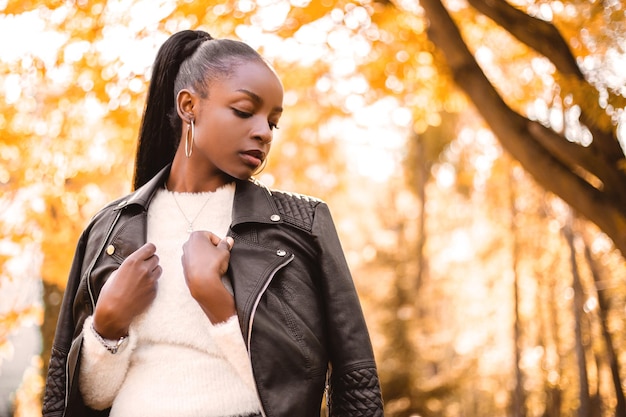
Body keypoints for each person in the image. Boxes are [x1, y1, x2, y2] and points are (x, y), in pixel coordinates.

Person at [42, 29, 384, 417]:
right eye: (243, 111)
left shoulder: (302, 225)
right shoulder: (108, 229)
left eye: (273, 122)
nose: (263, 132)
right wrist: (106, 327)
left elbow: (329, 385)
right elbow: (85, 399)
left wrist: (216, 301)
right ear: (189, 105)